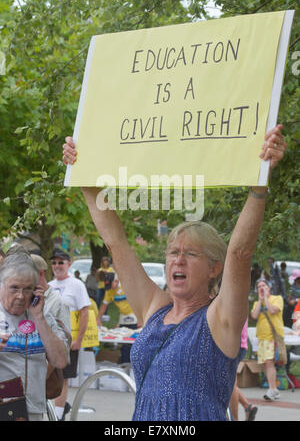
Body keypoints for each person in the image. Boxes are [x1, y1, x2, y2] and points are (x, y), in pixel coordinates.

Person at [63, 124, 286, 420]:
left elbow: (240, 253)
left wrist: (260, 182)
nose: (177, 260)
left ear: (214, 268)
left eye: (190, 254)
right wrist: (83, 177)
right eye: (173, 252)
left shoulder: (221, 318)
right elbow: (116, 244)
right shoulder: (155, 308)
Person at [0, 247, 68, 420]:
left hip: (33, 408)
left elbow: (60, 360)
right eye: (14, 288)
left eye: (27, 289)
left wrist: (39, 318)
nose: (21, 296)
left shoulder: (43, 316)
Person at [48, 248, 90, 421]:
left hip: (68, 339)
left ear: (69, 264)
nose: (57, 266)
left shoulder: (77, 285)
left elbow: (85, 311)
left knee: (63, 377)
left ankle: (58, 415)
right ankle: (57, 408)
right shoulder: (49, 286)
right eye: (54, 262)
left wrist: (79, 339)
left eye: (61, 262)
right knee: (49, 375)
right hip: (50, 339)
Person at [251, 278, 284, 401]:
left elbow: (272, 310)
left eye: (264, 285)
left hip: (273, 337)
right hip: (262, 337)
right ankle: (274, 389)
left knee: (270, 362)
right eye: (259, 286)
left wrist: (265, 298)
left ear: (269, 287)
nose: (261, 288)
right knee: (265, 363)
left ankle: (272, 389)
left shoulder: (277, 299)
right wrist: (260, 300)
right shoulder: (257, 303)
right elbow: (254, 315)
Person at [96, 276, 138, 363]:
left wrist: (141, 319)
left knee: (134, 342)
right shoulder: (109, 291)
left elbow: (140, 301)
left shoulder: (126, 285)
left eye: (111, 285)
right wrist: (98, 318)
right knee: (124, 341)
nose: (110, 288)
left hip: (134, 315)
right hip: (123, 316)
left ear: (115, 280)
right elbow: (104, 306)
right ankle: (125, 363)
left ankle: (133, 363)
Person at [229, 319, 258, 421]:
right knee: (229, 383)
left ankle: (234, 419)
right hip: (239, 343)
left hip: (231, 344)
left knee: (230, 384)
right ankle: (248, 406)